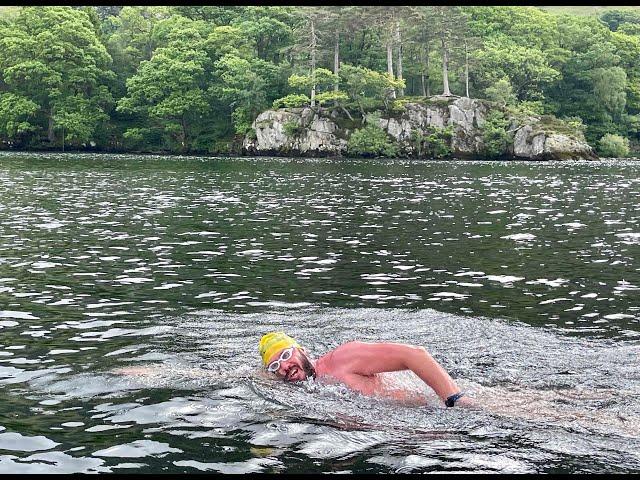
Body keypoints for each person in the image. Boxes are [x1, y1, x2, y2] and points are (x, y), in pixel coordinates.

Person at [258, 331, 471, 408]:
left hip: (441, 402)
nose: (285, 366)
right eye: (276, 365)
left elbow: (415, 355)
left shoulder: (342, 359)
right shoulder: (303, 388)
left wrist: (454, 399)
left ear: (302, 350)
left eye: (286, 355)